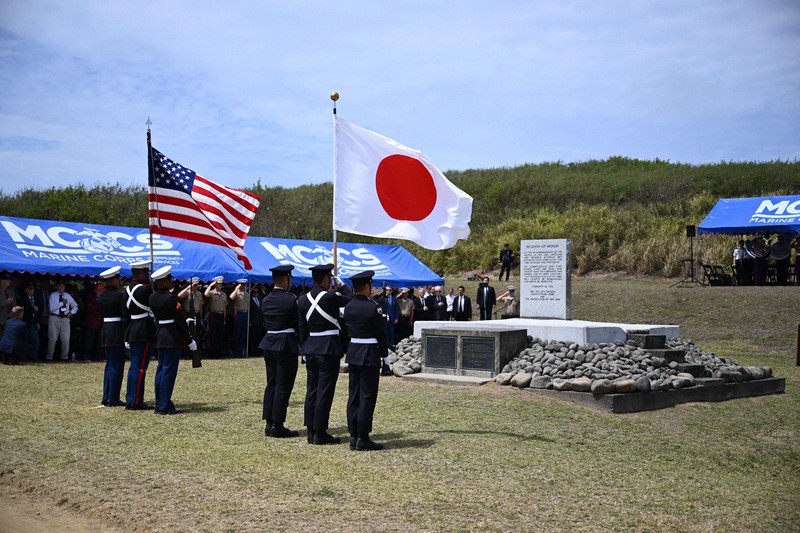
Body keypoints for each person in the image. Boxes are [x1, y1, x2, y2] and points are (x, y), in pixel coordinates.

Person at [297, 264, 351, 445]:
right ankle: (321, 432)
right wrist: (342, 284)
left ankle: (311, 430)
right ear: (327, 278)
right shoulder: (331, 297)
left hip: (310, 347)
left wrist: (304, 350)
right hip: (328, 348)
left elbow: (302, 329)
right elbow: (351, 298)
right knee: (325, 391)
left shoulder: (302, 299)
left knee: (312, 389)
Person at [343, 270, 388, 451]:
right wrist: (385, 355)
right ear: (367, 286)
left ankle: (354, 435)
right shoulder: (373, 307)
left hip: (354, 352)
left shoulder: (349, 306)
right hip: (369, 353)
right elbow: (381, 333)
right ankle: (363, 436)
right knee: (367, 395)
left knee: (354, 394)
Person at [259, 265, 301, 438]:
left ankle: (269, 422)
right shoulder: (290, 300)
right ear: (286, 280)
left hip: (269, 343)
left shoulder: (266, 299)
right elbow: (298, 323)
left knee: (272, 384)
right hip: (285, 344)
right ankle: (278, 424)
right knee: (283, 385)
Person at [149, 266, 196, 415]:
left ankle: (159, 402)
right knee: (168, 372)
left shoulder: (152, 297)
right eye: (169, 280)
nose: (171, 282)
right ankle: (164, 405)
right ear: (162, 282)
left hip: (160, 336)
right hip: (171, 337)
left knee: (161, 370)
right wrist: (189, 341)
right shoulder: (172, 299)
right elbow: (180, 321)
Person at [124, 260, 155, 410]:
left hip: (132, 328)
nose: (148, 275)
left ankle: (130, 398)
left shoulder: (126, 290)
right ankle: (136, 401)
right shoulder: (145, 290)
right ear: (140, 273)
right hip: (144, 330)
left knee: (134, 367)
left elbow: (124, 312)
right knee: (141, 367)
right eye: (146, 272)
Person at [97, 266, 127, 407]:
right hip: (116, 331)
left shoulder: (101, 296)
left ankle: (106, 396)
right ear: (114, 280)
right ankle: (113, 398)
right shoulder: (119, 296)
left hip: (105, 330)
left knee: (109, 365)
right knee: (116, 366)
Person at [47, 279, 78, 361]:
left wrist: (71, 312)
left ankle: (64, 357)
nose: (61, 287)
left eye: (63, 285)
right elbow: (51, 308)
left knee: (65, 338)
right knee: (52, 338)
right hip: (54, 317)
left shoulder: (67, 295)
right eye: (60, 285)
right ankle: (49, 357)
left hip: (65, 318)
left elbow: (75, 306)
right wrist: (61, 303)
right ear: (57, 286)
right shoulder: (53, 295)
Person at [205, 276, 227, 358]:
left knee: (220, 335)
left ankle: (220, 353)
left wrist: (224, 319)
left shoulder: (223, 294)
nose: (220, 285)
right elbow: (206, 294)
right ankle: (213, 353)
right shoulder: (211, 292)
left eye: (221, 283)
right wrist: (210, 286)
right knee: (213, 335)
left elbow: (225, 307)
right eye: (218, 283)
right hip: (214, 314)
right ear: (215, 284)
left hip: (221, 315)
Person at [20, 281, 42, 360]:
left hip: (34, 322)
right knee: (24, 340)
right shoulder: (22, 299)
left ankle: (34, 356)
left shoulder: (37, 299)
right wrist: (33, 309)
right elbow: (23, 309)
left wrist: (38, 322)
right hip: (25, 322)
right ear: (26, 290)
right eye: (30, 289)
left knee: (35, 341)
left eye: (33, 289)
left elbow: (40, 311)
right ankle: (23, 356)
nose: (32, 290)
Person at [230, 279, 250, 357]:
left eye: (244, 284)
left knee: (243, 334)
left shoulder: (247, 294)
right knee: (237, 333)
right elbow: (231, 297)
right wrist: (236, 289)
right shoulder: (237, 293)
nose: (243, 286)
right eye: (242, 284)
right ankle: (236, 352)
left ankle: (241, 351)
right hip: (238, 313)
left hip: (245, 313)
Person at [0, 272, 17, 340]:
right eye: (7, 280)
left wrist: (11, 314)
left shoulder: (11, 291)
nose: (9, 281)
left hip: (10, 319)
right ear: (1, 280)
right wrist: (7, 301)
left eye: (10, 280)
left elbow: (15, 306)